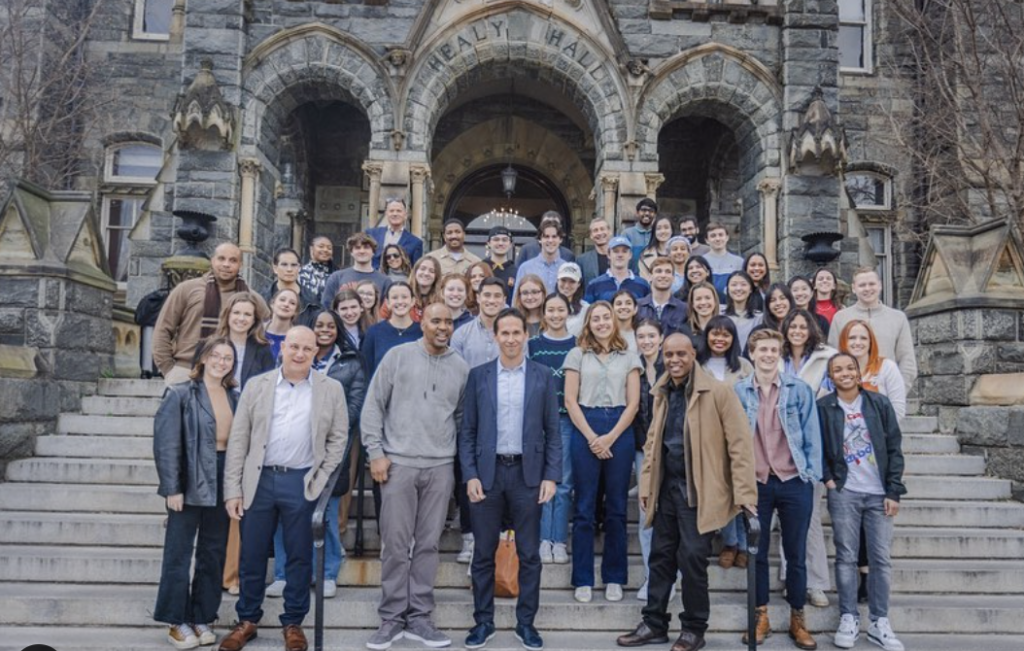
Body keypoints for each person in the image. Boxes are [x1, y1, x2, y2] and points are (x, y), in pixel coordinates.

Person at [617, 333, 757, 651]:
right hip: (667, 489)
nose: (675, 360)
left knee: (692, 558)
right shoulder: (662, 391)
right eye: (669, 355)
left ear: (693, 354)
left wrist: (746, 494)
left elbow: (740, 445)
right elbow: (653, 443)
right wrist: (648, 483)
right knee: (660, 557)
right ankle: (654, 623)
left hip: (699, 491)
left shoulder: (718, 392)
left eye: (681, 353)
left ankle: (694, 628)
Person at [219, 327, 349, 651]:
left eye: (307, 348)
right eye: (294, 347)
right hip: (259, 481)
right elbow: (239, 440)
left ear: (316, 351)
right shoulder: (257, 386)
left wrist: (318, 480)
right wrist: (233, 489)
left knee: (299, 556)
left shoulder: (330, 389)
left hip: (301, 481)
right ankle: (247, 619)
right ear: (283, 348)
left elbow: (338, 439)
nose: (300, 353)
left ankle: (293, 622)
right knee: (251, 555)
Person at [360, 303, 470, 651]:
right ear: (423, 322)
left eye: (448, 322)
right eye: (436, 320)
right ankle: (392, 617)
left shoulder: (461, 367)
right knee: (395, 543)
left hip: (439, 466)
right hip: (398, 464)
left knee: (427, 544)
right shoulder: (397, 356)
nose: (443, 327)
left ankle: (420, 616)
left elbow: (462, 419)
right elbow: (373, 405)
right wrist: (376, 453)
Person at [460, 308, 561, 651]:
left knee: (530, 554)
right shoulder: (478, 376)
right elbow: (468, 431)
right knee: (484, 554)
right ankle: (483, 622)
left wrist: (551, 475)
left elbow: (553, 431)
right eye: (505, 333)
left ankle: (526, 623)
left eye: (517, 332)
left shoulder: (543, 375)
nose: (511, 338)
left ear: (526, 335)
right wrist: (470, 474)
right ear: (495, 336)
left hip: (527, 475)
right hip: (487, 475)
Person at [266, 312, 366, 601]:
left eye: (330, 326)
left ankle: (327, 573)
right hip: (289, 451)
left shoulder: (350, 363)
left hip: (330, 452)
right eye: (318, 325)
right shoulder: (290, 358)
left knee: (326, 518)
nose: (324, 330)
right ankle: (284, 574)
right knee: (286, 519)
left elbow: (354, 406)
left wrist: (322, 427)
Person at [734, 329, 822, 650]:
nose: (768, 355)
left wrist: (811, 476)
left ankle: (798, 618)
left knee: (795, 553)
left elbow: (812, 435)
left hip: (794, 481)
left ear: (780, 353)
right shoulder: (739, 391)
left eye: (774, 349)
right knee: (756, 553)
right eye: (762, 350)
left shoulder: (799, 390)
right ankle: (761, 616)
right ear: (752, 353)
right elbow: (732, 439)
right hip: (756, 483)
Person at [154, 338, 238, 650]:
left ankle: (202, 615)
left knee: (212, 552)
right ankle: (176, 621)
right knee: (178, 554)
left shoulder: (234, 395)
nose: (221, 361)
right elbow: (166, 444)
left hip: (222, 476)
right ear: (202, 359)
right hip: (189, 478)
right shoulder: (180, 393)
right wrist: (171, 487)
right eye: (215, 355)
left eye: (227, 357)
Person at [819, 353, 907, 651]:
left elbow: (894, 448)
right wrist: (829, 480)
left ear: (858, 372)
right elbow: (816, 447)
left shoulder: (878, 403)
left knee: (880, 558)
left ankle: (880, 621)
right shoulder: (824, 407)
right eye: (837, 370)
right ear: (831, 376)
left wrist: (893, 491)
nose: (844, 373)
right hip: (845, 491)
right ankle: (848, 616)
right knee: (846, 556)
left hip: (878, 492)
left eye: (849, 368)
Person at [563, 301, 641, 604]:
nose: (601, 323)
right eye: (595, 318)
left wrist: (609, 437)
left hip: (619, 428)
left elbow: (633, 403)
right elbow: (570, 400)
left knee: (617, 509)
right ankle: (582, 577)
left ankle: (614, 577)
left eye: (606, 317)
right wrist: (593, 436)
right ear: (588, 323)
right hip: (586, 425)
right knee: (583, 508)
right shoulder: (577, 354)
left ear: (614, 320)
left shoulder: (630, 356)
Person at [778, 309, 838, 608]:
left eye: (803, 326)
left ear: (811, 329)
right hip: (777, 446)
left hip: (810, 446)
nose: (798, 331)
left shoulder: (826, 358)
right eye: (793, 326)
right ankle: (791, 579)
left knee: (809, 519)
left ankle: (815, 583)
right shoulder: (777, 358)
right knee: (784, 520)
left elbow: (829, 399)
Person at [153, 243, 260, 385]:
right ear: (212, 260)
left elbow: (265, 333)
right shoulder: (187, 289)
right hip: (186, 370)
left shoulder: (250, 298)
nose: (226, 264)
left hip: (229, 375)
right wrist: (169, 369)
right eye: (221, 259)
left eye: (233, 260)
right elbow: (163, 329)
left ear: (240, 264)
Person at [695, 316, 754, 573]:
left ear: (733, 339)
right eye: (715, 334)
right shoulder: (698, 365)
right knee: (723, 489)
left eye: (725, 335)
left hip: (742, 435)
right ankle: (731, 543)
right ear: (707, 336)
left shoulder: (743, 367)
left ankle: (743, 544)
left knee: (740, 486)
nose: (719, 339)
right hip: (708, 437)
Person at [529, 294, 577, 566]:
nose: (556, 314)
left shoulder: (577, 346)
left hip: (567, 421)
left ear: (568, 312)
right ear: (544, 313)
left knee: (563, 483)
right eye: (551, 310)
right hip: (537, 423)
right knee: (540, 483)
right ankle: (542, 539)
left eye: (561, 309)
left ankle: (558, 539)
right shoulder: (533, 345)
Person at [828, 268, 917, 389]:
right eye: (862, 285)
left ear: (880, 285)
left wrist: (898, 391)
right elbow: (833, 357)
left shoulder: (897, 318)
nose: (867, 289)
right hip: (849, 394)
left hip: (887, 392)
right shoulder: (840, 318)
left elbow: (907, 360)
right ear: (854, 288)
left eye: (872, 284)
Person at [631, 319, 663, 601]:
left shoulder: (674, 365)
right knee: (645, 515)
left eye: (651, 335)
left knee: (669, 515)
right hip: (643, 450)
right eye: (641, 336)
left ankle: (670, 574)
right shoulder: (634, 369)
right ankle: (652, 576)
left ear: (661, 338)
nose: (647, 341)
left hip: (671, 451)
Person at [837, 320, 907, 419]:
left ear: (871, 342)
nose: (858, 342)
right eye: (852, 338)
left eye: (863, 338)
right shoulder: (834, 371)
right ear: (844, 341)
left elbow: (898, 410)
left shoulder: (887, 367)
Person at [361, 282, 423, 380]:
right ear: (388, 302)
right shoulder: (374, 332)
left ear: (412, 301)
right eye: (394, 298)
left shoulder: (422, 332)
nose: (400, 301)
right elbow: (366, 371)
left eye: (404, 297)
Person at [214, 292, 274, 391]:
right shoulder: (210, 346)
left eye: (247, 314)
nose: (241, 318)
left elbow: (268, 387)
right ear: (228, 315)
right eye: (236, 313)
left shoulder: (263, 350)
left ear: (254, 320)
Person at [320, 232, 392, 308]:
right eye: (357, 248)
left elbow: (387, 310)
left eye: (366, 247)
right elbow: (327, 307)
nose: (362, 251)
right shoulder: (336, 277)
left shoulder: (385, 281)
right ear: (351, 252)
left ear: (373, 252)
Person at [451, 277, 507, 369]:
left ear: (504, 300)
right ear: (478, 298)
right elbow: (456, 374)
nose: (492, 300)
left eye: (497, 296)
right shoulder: (460, 335)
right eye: (487, 295)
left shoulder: (515, 335)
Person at [264, 248, 320, 328]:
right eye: (284, 265)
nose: (289, 269)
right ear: (275, 268)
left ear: (299, 268)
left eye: (293, 265)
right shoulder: (263, 298)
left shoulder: (312, 302)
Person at [584, 236, 651, 303]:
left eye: (624, 251)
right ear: (608, 255)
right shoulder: (594, 285)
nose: (620, 255)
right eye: (616, 251)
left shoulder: (643, 285)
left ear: (630, 255)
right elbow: (588, 311)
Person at [636, 257, 689, 336]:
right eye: (658, 271)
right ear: (650, 276)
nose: (663, 275)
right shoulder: (637, 307)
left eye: (668, 272)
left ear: (673, 278)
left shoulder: (684, 309)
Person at [514, 215, 566, 294]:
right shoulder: (526, 268)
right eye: (546, 236)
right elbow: (516, 298)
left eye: (554, 236)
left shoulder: (566, 267)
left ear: (560, 240)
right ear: (539, 239)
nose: (550, 240)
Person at [367, 197, 424, 268]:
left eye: (399, 211)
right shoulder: (371, 234)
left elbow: (414, 270)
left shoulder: (415, 243)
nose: (395, 214)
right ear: (386, 214)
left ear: (405, 215)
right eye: (391, 211)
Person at [723, 271, 763, 352]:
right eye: (734, 285)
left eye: (743, 284)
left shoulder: (759, 318)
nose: (738, 288)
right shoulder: (720, 314)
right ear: (728, 289)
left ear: (751, 289)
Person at [703, 223, 744, 300]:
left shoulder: (739, 262)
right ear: (707, 240)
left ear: (727, 237)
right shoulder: (701, 262)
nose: (717, 239)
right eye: (713, 236)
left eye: (721, 235)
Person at [264, 288, 299, 362]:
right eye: (282, 300)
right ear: (272, 304)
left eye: (292, 303)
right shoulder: (257, 331)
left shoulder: (298, 338)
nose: (286, 304)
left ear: (296, 311)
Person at [299, 236, 336, 302]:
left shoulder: (337, 273)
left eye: (329, 248)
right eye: (321, 246)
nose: (325, 250)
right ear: (311, 249)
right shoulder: (301, 273)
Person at [637, 215, 674, 281]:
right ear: (654, 232)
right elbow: (644, 280)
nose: (663, 231)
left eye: (666, 227)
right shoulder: (645, 255)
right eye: (659, 228)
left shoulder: (681, 252)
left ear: (672, 230)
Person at [577, 217, 612, 287]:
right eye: (595, 230)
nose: (599, 233)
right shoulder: (582, 260)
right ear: (591, 236)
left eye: (602, 229)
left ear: (610, 232)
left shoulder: (620, 257)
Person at [556, 263, 588, 337]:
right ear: (557, 280)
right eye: (563, 280)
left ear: (579, 283)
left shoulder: (586, 309)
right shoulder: (547, 305)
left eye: (572, 281)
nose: (567, 285)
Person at [622, 198, 658, 264]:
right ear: (637, 213)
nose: (647, 213)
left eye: (651, 211)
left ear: (655, 215)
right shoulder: (627, 234)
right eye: (643, 210)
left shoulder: (658, 234)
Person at [482, 226, 517, 292]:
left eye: (504, 240)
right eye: (496, 239)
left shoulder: (517, 272)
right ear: (488, 243)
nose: (500, 243)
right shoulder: (481, 268)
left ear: (511, 244)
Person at [410, 256, 443, 322]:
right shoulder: (402, 294)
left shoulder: (442, 301)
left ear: (436, 276)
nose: (426, 273)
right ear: (415, 271)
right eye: (422, 269)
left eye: (431, 271)